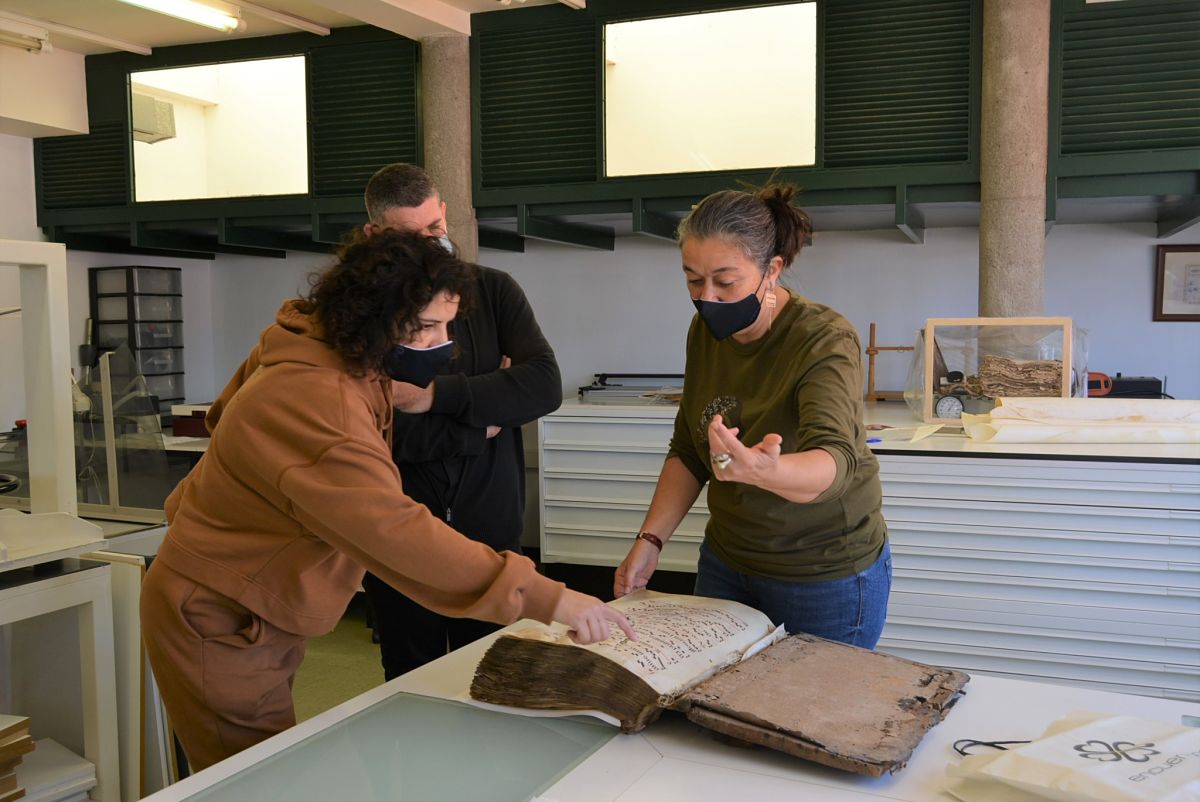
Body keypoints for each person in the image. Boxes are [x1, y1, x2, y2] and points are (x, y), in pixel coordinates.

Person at [141, 230, 634, 771]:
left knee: (268, 764)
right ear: (374, 316)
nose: (444, 346)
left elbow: (222, 416)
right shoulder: (318, 397)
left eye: (448, 326)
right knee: (251, 776)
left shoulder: (320, 348)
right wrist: (549, 598)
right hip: (219, 605)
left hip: (256, 597)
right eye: (425, 328)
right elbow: (394, 528)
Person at [613, 184, 891, 649]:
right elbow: (688, 449)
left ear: (771, 270)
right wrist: (651, 540)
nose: (708, 298)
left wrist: (769, 470)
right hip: (728, 563)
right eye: (692, 280)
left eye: (725, 282)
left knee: (806, 712)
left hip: (823, 574)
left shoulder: (823, 338)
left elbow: (836, 461)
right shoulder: (705, 331)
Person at [357, 163, 564, 679]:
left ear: (445, 213)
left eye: (434, 230)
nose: (428, 247)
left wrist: (429, 396)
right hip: (400, 532)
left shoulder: (494, 291)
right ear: (373, 237)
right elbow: (376, 429)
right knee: (411, 682)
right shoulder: (359, 316)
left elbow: (543, 386)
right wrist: (484, 418)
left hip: (490, 528)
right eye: (410, 237)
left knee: (495, 677)